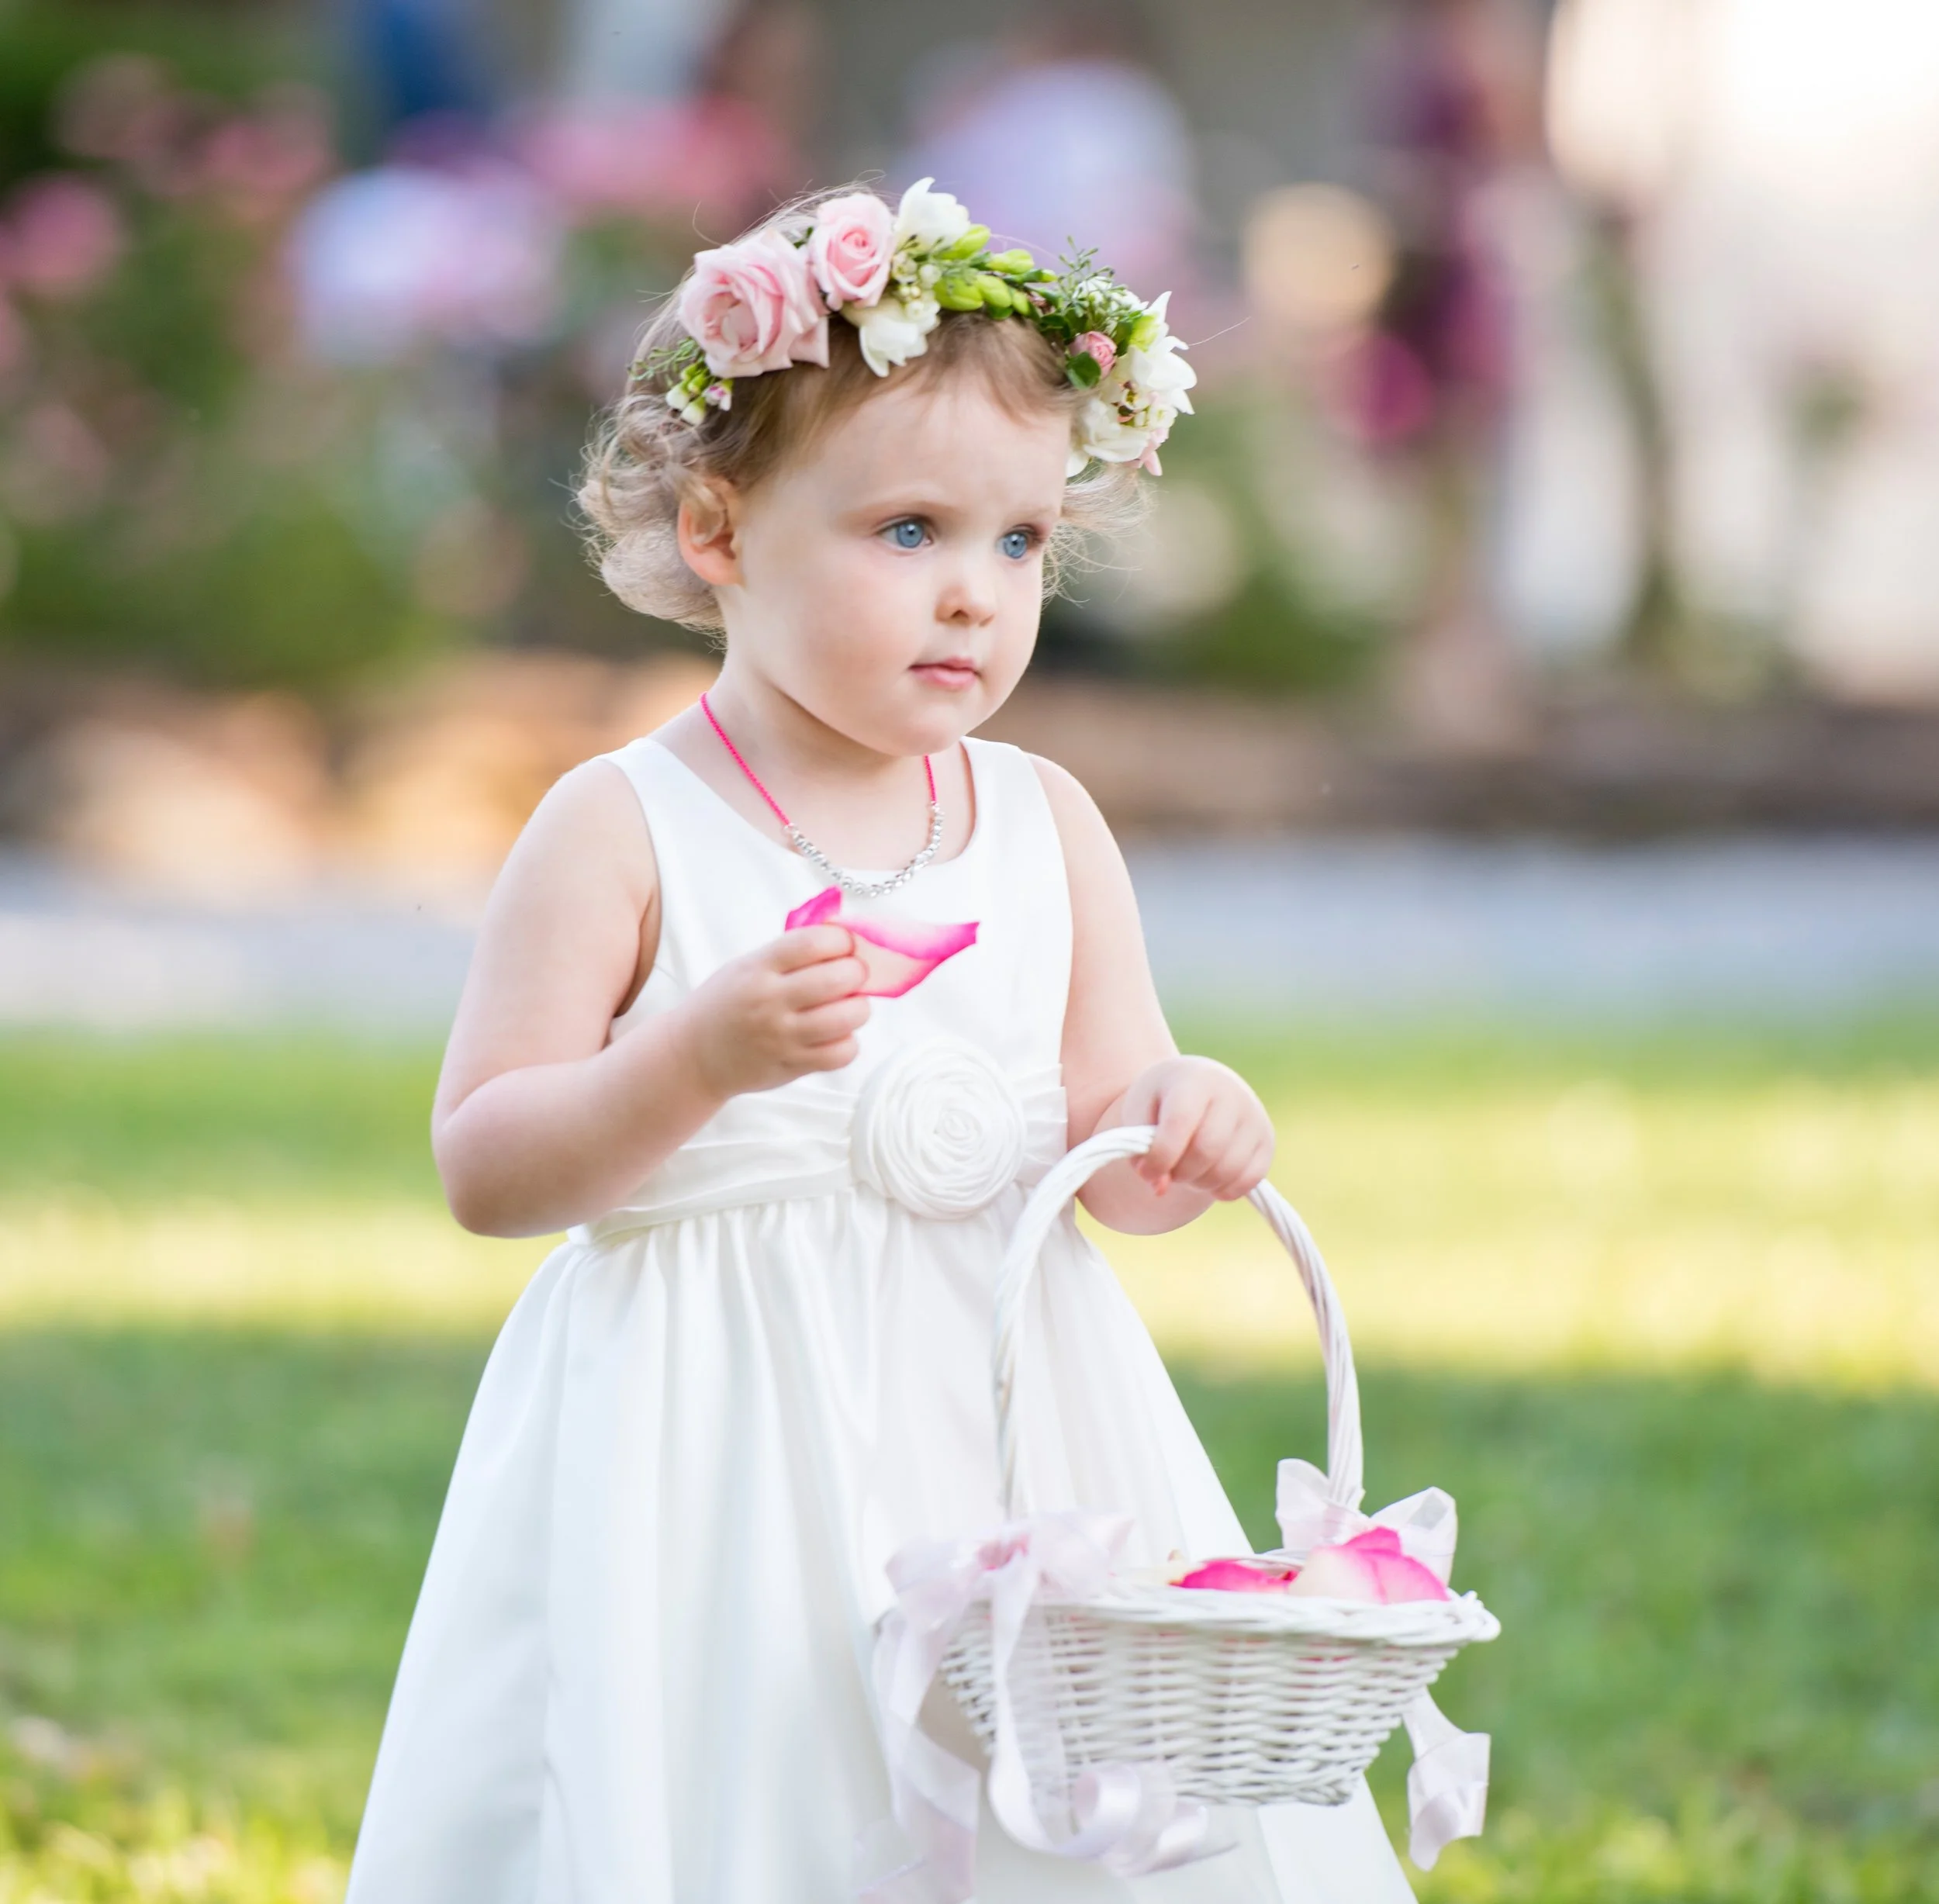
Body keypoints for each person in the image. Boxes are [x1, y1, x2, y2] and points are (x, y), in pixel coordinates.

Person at [344, 181, 1415, 1902]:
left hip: (1002, 1413)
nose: (976, 597)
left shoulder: (1040, 819)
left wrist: (1179, 1125)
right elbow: (486, 1165)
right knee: (744, 1776)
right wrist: (688, 1058)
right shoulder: (618, 828)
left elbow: (1107, 1152)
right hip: (708, 1434)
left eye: (1020, 545)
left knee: (1013, 1798)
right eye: (908, 531)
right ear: (718, 531)